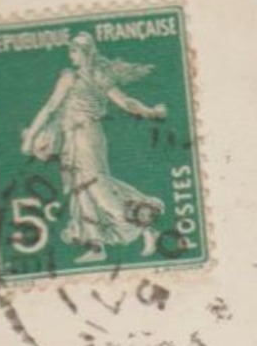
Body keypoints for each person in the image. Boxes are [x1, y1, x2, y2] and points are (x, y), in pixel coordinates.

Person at [20, 33, 167, 263]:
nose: (71, 56)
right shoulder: (97, 76)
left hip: (84, 137)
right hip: (76, 138)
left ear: (86, 52)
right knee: (82, 190)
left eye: (74, 51)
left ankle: (145, 226)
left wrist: (30, 139)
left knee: (96, 187)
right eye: (71, 51)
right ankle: (96, 246)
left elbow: (50, 108)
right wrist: (151, 112)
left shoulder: (75, 77)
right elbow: (126, 103)